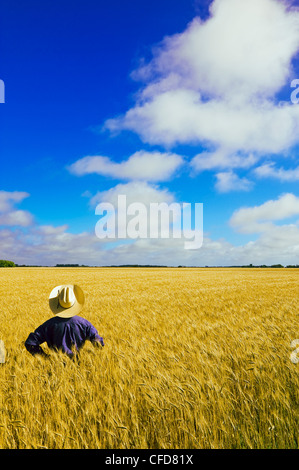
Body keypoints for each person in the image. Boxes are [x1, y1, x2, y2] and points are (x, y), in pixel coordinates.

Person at [25, 284, 104, 358]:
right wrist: (90, 357)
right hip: (79, 365)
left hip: (54, 366)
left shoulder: (48, 325)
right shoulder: (84, 323)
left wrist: (45, 358)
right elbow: (98, 343)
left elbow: (30, 343)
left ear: (57, 302)